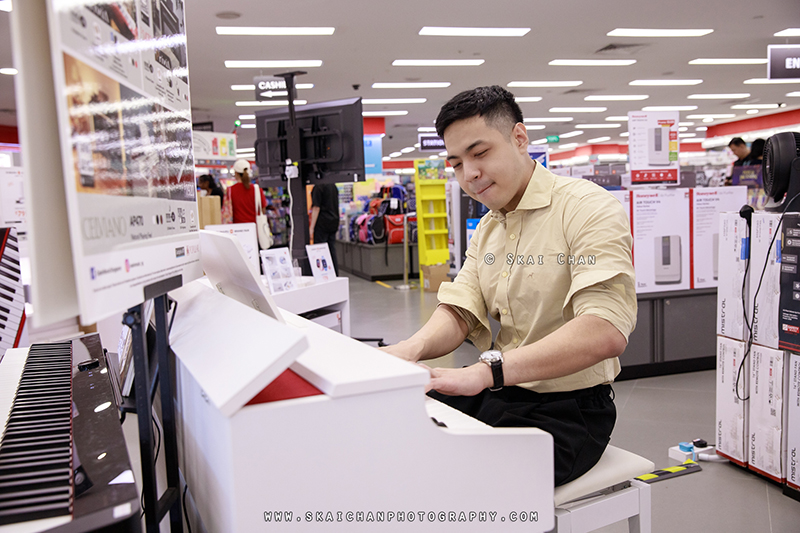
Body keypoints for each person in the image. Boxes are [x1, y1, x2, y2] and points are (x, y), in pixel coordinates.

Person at [382, 86, 637, 486]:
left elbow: (604, 330)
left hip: (570, 411)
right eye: (456, 163)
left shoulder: (587, 208)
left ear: (519, 138)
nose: (469, 174)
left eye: (479, 154)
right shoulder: (488, 227)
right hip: (503, 391)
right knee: (396, 435)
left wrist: (488, 371)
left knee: (474, 484)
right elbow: (461, 308)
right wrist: (405, 350)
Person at [309, 183, 340, 275]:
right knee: (332, 249)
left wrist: (311, 227)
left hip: (322, 223)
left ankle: (322, 274)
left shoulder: (318, 187)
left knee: (319, 250)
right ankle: (335, 275)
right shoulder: (333, 186)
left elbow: (316, 208)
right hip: (333, 221)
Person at [228, 159, 266, 225]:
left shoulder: (230, 190)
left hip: (237, 229)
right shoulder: (257, 189)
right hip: (255, 228)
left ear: (236, 173)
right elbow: (263, 209)